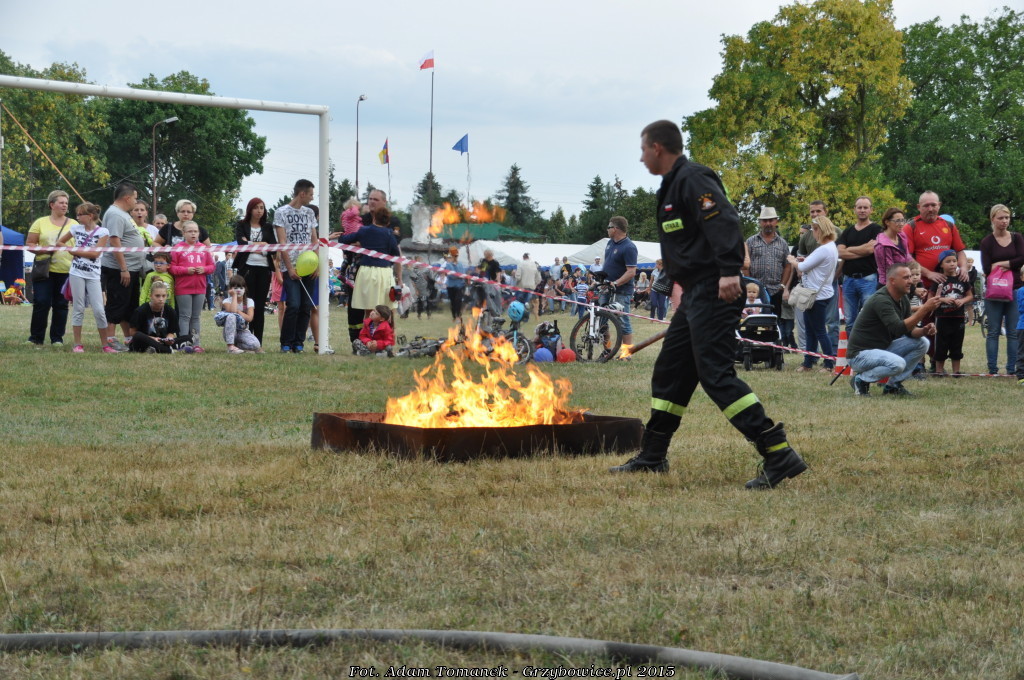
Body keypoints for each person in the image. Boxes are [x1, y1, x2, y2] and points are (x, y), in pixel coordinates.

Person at [610, 119, 806, 490]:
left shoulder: (693, 178)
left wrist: (730, 271)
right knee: (670, 371)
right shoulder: (673, 185)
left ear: (657, 148)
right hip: (696, 294)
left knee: (715, 375)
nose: (641, 158)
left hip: (716, 289)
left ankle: (778, 452)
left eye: (643, 149)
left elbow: (724, 221)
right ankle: (653, 455)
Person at [847, 263, 941, 396]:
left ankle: (893, 386)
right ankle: (861, 379)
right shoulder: (881, 300)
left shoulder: (903, 298)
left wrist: (924, 331)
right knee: (898, 364)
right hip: (859, 355)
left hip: (880, 350)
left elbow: (909, 331)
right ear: (892, 280)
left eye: (910, 277)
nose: (911, 281)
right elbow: (898, 329)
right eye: (906, 277)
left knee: (923, 342)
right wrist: (925, 308)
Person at [55, 202, 111, 353]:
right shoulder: (75, 229)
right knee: (78, 308)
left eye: (80, 214)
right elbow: (59, 242)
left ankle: (105, 345)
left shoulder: (103, 232)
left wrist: (74, 251)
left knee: (99, 310)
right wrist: (70, 248)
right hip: (76, 273)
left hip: (94, 275)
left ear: (90, 216)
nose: (77, 217)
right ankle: (77, 344)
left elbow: (95, 254)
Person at [26, 189, 77, 347]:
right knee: (41, 302)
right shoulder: (40, 222)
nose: (65, 205)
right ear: (51, 204)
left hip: (66, 271)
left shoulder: (74, 224)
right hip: (44, 270)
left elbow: (80, 245)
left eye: (66, 203)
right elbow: (30, 244)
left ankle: (57, 339)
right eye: (61, 202)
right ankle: (36, 338)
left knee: (61, 305)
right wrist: (45, 249)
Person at [100, 182, 147, 352]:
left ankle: (129, 339)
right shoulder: (115, 214)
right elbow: (114, 240)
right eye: (135, 198)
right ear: (127, 198)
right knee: (117, 303)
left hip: (131, 268)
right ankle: (110, 340)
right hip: (119, 269)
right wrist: (123, 268)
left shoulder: (122, 214)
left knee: (129, 305)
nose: (136, 201)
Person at [274, 179, 319, 353]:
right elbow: (282, 242)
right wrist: (290, 268)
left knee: (306, 305)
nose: (312, 198)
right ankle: (286, 342)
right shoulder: (281, 212)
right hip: (291, 266)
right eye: (311, 194)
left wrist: (317, 265)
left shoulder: (309, 213)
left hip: (309, 265)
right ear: (302, 194)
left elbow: (314, 240)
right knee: (293, 304)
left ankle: (299, 342)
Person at [789, 216, 839, 372]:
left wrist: (793, 260)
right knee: (811, 331)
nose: (813, 234)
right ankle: (808, 362)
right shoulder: (831, 247)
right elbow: (813, 263)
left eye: (815, 230)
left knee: (819, 331)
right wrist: (803, 260)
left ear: (821, 230)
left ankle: (829, 363)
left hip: (816, 295)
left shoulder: (824, 249)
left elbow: (802, 267)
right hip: (819, 294)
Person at [979, 204, 1024, 375]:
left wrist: (1001, 263)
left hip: (1015, 289)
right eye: (1000, 218)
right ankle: (993, 369)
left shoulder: (1017, 238)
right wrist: (1011, 264)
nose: (1004, 221)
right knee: (993, 331)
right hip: (994, 291)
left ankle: (1012, 369)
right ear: (993, 219)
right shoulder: (987, 242)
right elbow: (986, 268)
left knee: (1013, 332)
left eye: (1007, 217)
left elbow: (1022, 258)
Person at [339, 206, 402, 324]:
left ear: (374, 218)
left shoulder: (364, 230)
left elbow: (344, 239)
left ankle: (368, 333)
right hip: (384, 272)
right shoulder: (389, 234)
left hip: (366, 271)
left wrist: (342, 236)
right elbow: (396, 255)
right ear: (387, 221)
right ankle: (383, 334)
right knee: (385, 309)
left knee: (368, 310)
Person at [232, 197, 278, 345]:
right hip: (246, 269)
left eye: (262, 207)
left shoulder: (268, 227)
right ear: (250, 209)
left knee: (259, 306)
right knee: (246, 303)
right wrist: (261, 244)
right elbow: (241, 244)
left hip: (264, 270)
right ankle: (244, 338)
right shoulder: (242, 224)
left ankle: (258, 341)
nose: (259, 211)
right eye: (256, 207)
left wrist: (254, 246)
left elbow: (272, 247)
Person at [837, 196, 883, 330]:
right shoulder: (848, 231)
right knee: (850, 321)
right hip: (848, 280)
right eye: (859, 207)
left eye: (865, 207)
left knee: (870, 318)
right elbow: (839, 252)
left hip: (868, 279)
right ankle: (852, 344)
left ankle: (869, 344)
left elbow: (870, 250)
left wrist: (849, 249)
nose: (862, 210)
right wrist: (863, 249)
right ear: (855, 209)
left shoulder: (877, 229)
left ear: (871, 210)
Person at [903, 192, 968, 284]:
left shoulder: (949, 225)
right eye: (926, 206)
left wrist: (963, 268)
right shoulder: (910, 227)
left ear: (939, 205)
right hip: (922, 284)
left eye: (933, 205)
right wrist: (928, 273)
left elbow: (960, 251)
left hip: (948, 284)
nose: (930, 209)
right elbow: (907, 257)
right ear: (918, 207)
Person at [169, 221, 215, 352]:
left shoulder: (203, 248)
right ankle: (183, 344)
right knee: (184, 316)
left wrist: (204, 269)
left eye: (195, 231)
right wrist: (185, 270)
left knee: (195, 317)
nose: (193, 234)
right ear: (183, 233)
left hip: (200, 287)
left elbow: (212, 266)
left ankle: (196, 344)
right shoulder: (177, 248)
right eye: (190, 231)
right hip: (183, 288)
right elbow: (171, 268)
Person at [930, 249, 975, 376]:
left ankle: (956, 371)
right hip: (942, 317)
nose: (952, 264)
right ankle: (939, 371)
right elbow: (930, 298)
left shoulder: (962, 278)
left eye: (954, 261)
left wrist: (962, 301)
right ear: (941, 264)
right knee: (941, 344)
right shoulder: (939, 280)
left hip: (958, 317)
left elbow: (970, 296)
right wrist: (943, 299)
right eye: (948, 261)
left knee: (957, 343)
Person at [744, 206, 791, 317]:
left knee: (774, 321)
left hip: (775, 290)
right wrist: (750, 283)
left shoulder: (783, 243)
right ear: (760, 222)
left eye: (771, 220)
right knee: (754, 321)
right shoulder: (751, 241)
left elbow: (787, 266)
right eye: (765, 221)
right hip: (755, 292)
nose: (768, 223)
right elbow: (745, 265)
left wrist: (782, 285)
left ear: (776, 221)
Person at [601, 216, 639, 346]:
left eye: (609, 227)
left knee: (623, 323)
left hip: (622, 291)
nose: (607, 230)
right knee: (601, 321)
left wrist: (616, 283)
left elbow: (631, 272)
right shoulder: (610, 243)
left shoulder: (629, 247)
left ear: (615, 229)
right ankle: (607, 351)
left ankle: (626, 353)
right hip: (606, 288)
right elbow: (608, 264)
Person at [127, 280, 187, 353]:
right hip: (145, 341)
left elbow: (171, 332)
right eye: (157, 296)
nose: (161, 299)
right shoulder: (140, 311)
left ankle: (157, 349)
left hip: (163, 341)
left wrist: (169, 339)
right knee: (138, 335)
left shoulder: (171, 311)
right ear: (151, 296)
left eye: (163, 296)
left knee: (189, 337)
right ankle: (167, 350)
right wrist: (151, 339)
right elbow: (132, 332)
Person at [217, 274, 262, 354]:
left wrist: (238, 311)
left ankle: (238, 347)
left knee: (256, 345)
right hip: (230, 332)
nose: (238, 290)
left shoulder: (249, 301)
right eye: (235, 288)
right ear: (230, 289)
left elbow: (249, 318)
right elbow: (233, 311)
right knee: (231, 316)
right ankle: (231, 346)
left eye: (241, 288)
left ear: (245, 289)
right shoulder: (226, 301)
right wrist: (234, 296)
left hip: (243, 331)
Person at [873, 208, 911, 288]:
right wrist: (913, 288)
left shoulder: (902, 236)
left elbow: (908, 258)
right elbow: (890, 272)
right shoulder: (882, 245)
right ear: (887, 222)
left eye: (903, 220)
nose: (901, 224)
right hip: (889, 286)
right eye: (897, 221)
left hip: (904, 281)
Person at [442, 250, 466, 323]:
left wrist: (457, 275)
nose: (454, 257)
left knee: (458, 300)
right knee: (453, 302)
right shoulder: (448, 265)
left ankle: (458, 316)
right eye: (452, 256)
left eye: (455, 256)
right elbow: (450, 275)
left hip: (460, 285)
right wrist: (457, 275)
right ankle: (454, 316)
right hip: (451, 286)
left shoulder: (460, 264)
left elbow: (462, 273)